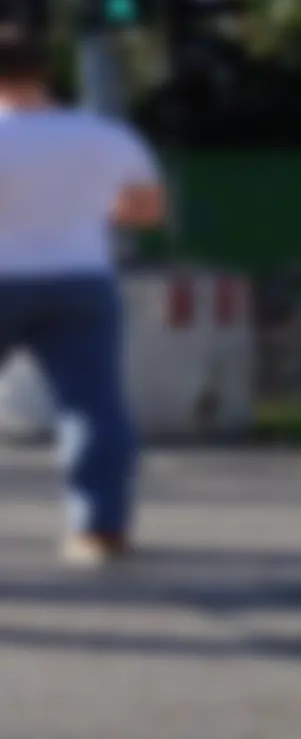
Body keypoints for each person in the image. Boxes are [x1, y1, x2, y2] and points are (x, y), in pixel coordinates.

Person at [0, 30, 166, 565]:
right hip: (82, 278)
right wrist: (91, 212)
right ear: (47, 72)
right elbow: (146, 210)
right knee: (92, 406)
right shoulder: (105, 135)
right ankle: (100, 531)